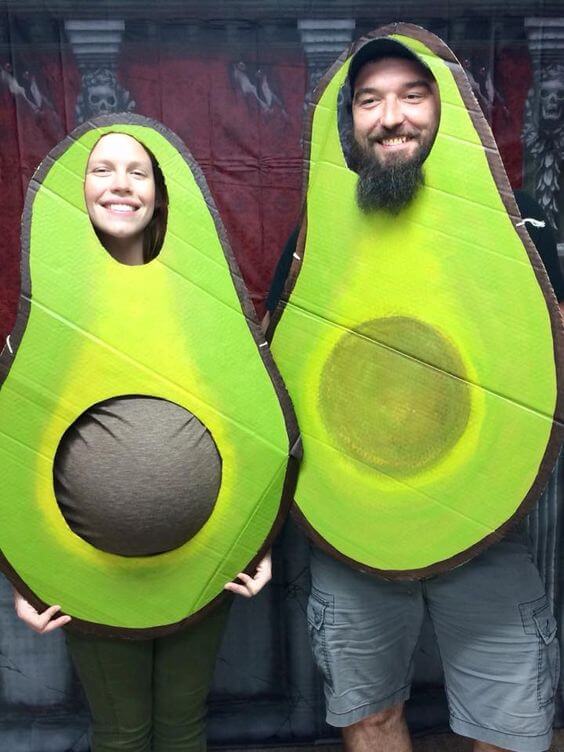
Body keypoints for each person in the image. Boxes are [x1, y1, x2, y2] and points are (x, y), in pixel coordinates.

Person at [266, 39, 560, 752]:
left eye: (411, 95)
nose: (390, 117)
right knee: (369, 717)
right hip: (353, 531)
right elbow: (279, 367)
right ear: (349, 121)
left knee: (513, 727)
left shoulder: (519, 225)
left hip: (486, 526)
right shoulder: (315, 233)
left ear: (448, 108)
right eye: (369, 100)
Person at [14, 130, 272, 752]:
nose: (121, 183)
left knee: (184, 728)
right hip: (87, 569)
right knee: (123, 732)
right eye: (103, 169)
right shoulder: (46, 306)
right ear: (77, 188)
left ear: (162, 194)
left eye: (139, 172)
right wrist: (24, 575)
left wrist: (258, 537)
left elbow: (259, 419)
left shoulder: (206, 301)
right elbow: (13, 437)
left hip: (201, 560)